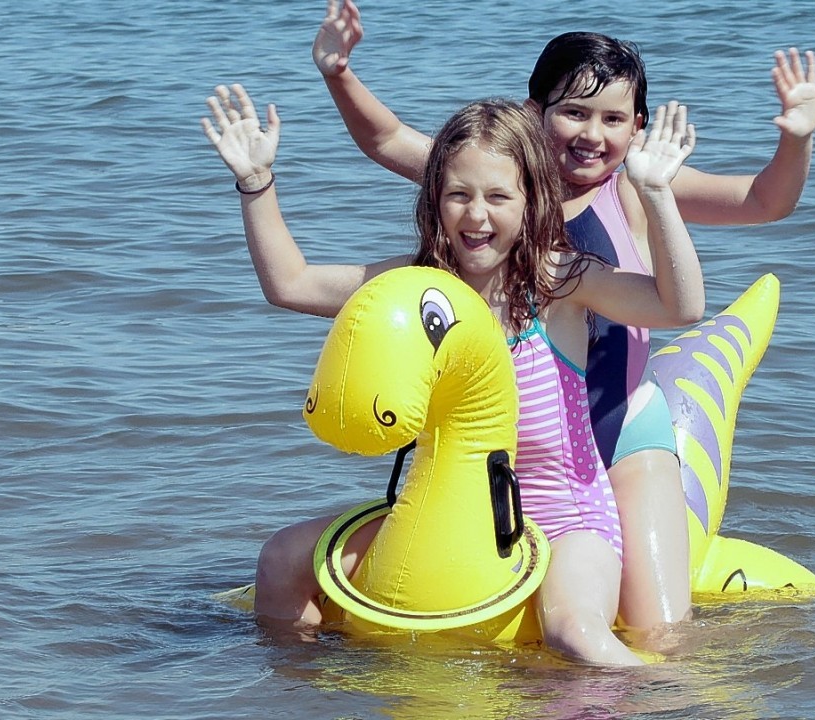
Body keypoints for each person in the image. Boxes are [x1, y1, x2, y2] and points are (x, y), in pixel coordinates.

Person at [311, 0, 815, 637]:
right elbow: (388, 139)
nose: (591, 135)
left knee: (657, 628)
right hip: (516, 448)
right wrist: (339, 73)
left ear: (638, 128)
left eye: (613, 119)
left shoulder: (636, 185)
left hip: (621, 433)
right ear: (535, 114)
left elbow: (765, 201)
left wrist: (796, 137)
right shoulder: (496, 180)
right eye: (573, 112)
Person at [200, 82, 704, 666]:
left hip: (565, 517)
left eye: (498, 196)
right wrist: (255, 182)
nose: (477, 215)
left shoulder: (559, 280)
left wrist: (658, 193)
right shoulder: (416, 287)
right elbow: (291, 285)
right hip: (448, 507)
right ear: (435, 199)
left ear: (531, 200)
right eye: (459, 194)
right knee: (281, 558)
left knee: (575, 635)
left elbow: (679, 307)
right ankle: (312, 685)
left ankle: (667, 701)